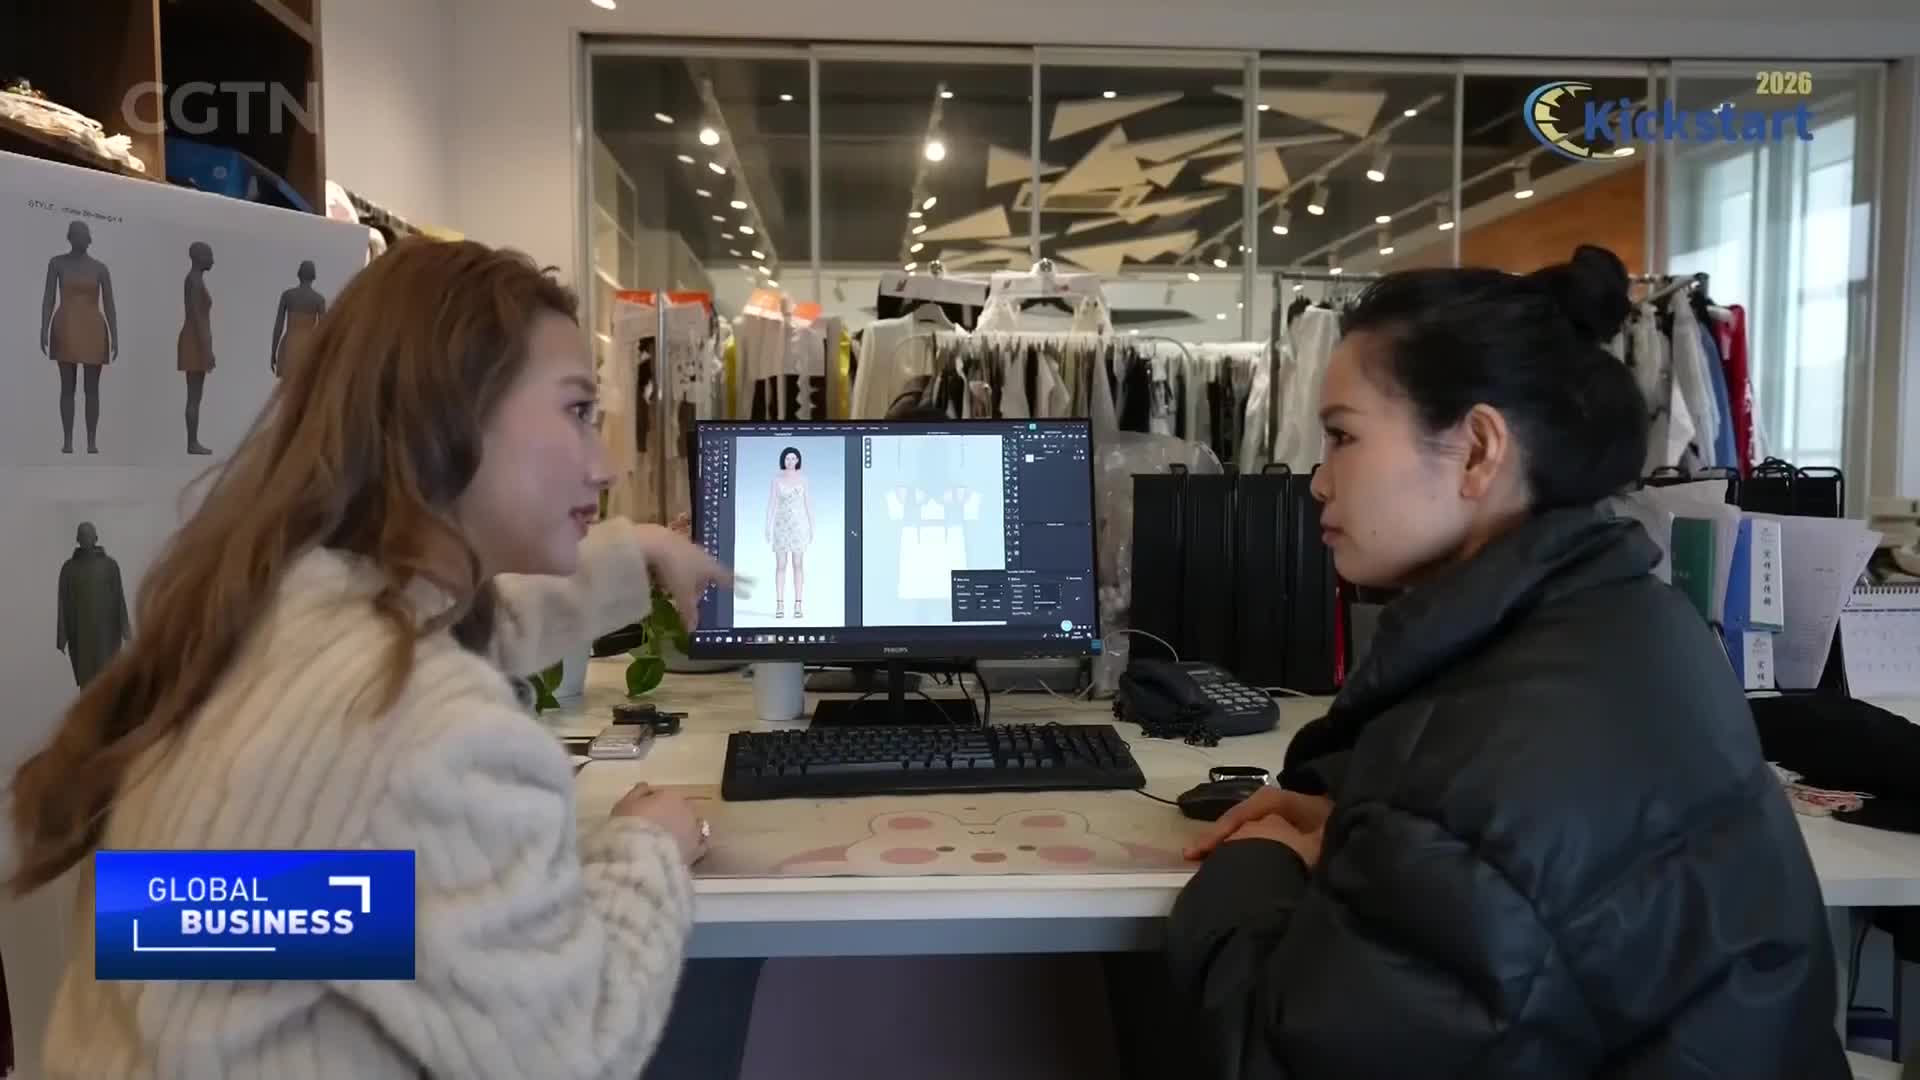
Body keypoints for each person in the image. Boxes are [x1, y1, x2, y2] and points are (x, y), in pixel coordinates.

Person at [6, 238, 733, 1079]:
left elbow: (206, 913)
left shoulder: (269, 609)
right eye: (577, 410)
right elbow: (582, 1052)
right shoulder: (428, 736)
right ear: (450, 414)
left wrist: (631, 555)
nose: (605, 464)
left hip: (210, 954)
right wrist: (648, 849)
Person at [1168, 246, 1846, 1079]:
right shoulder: (1636, 617)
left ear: (1480, 449)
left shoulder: (1474, 766)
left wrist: (1253, 869)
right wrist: (1361, 824)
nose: (1316, 480)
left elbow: (1275, 1061)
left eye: (1343, 437)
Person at [765, 445, 814, 619]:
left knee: (798, 564)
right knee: (780, 565)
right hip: (781, 525)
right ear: (783, 460)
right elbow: (772, 503)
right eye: (788, 458)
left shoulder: (804, 480)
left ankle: (798, 605)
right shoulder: (776, 480)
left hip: (798, 525)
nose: (791, 461)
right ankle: (779, 604)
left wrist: (812, 526)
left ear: (798, 460)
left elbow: (808, 504)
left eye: (793, 458)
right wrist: (767, 526)